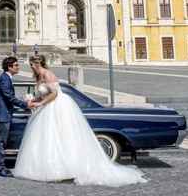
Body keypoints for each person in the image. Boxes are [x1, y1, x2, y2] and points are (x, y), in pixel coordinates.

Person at [13, 54, 147, 186]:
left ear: (36, 64)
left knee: (61, 137)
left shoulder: (48, 75)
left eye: (31, 65)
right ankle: (51, 167)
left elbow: (54, 94)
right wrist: (33, 100)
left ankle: (67, 168)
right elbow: (43, 94)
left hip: (57, 107)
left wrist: (39, 104)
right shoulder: (38, 76)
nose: (30, 67)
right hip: (47, 106)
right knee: (48, 138)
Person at [0, 56, 34, 178]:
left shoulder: (7, 78)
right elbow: (9, 97)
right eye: (16, 65)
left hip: (4, 113)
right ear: (9, 67)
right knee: (1, 142)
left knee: (1, 142)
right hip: (2, 115)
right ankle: (0, 168)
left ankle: (1, 166)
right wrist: (25, 104)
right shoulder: (4, 79)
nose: (18, 67)